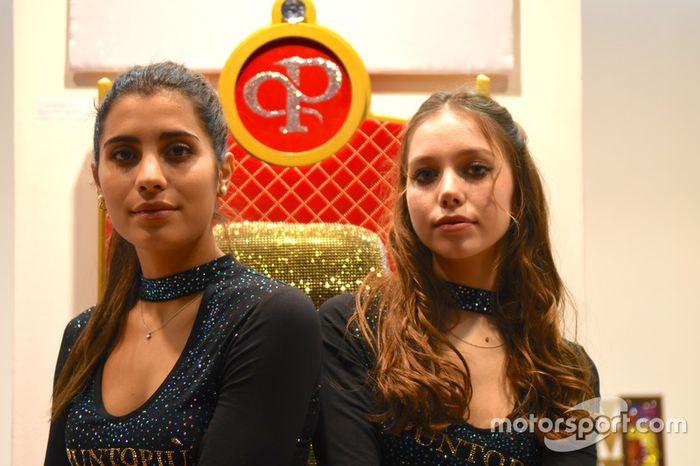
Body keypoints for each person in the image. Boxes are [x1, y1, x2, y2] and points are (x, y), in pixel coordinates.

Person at [44, 62, 321, 466]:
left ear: (223, 172)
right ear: (98, 179)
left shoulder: (271, 317)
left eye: (177, 151)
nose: (149, 176)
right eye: (124, 155)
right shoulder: (84, 335)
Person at [315, 91, 599, 465]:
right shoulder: (354, 327)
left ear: (519, 191)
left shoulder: (566, 370)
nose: (448, 191)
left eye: (475, 169)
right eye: (425, 175)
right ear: (406, 196)